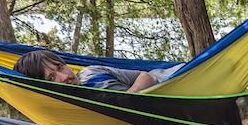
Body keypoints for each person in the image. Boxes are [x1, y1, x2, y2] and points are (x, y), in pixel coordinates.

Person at [13, 49, 181, 92]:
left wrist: (131, 96)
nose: (64, 77)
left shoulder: (90, 73)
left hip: (177, 78)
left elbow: (146, 76)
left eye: (60, 67)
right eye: (51, 78)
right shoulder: (74, 108)